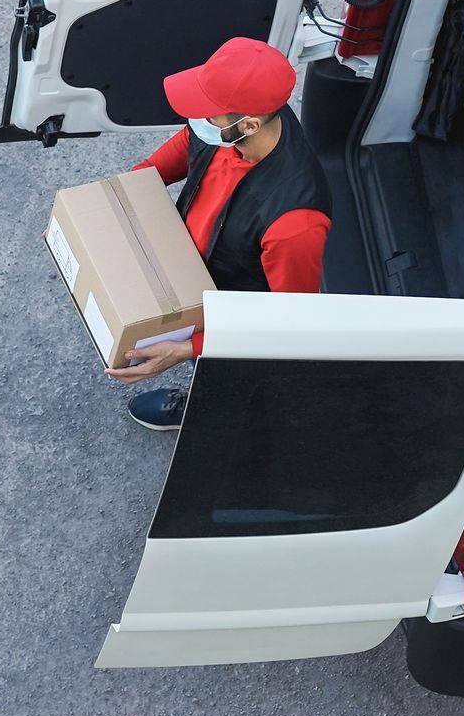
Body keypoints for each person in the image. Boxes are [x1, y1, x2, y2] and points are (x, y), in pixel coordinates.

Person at [105, 37, 332, 431]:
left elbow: (287, 325)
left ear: (248, 125)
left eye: (208, 113)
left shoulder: (295, 223)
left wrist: (186, 350)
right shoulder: (228, 130)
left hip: (238, 307)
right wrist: (94, 211)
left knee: (237, 382)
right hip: (199, 270)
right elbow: (170, 157)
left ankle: (215, 411)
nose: (196, 120)